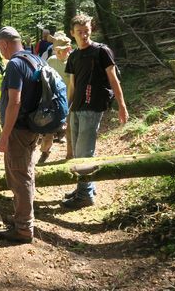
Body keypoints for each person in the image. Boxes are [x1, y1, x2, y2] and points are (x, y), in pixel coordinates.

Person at [62, 14, 128, 209]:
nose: (83, 35)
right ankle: (84, 187)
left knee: (84, 152)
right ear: (72, 33)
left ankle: (85, 195)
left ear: (91, 30)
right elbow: (72, 85)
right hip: (77, 107)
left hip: (93, 107)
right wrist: (67, 107)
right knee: (78, 152)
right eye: (79, 32)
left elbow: (114, 79)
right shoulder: (73, 56)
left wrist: (122, 106)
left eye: (87, 31)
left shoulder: (101, 51)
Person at [0, 26, 43, 244]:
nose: (1, 53)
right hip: (33, 126)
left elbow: (15, 102)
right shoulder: (35, 59)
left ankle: (23, 228)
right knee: (25, 172)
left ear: (4, 44)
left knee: (19, 175)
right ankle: (22, 219)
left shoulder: (15, 64)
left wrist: (4, 135)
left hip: (18, 129)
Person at [38, 32, 72, 163]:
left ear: (68, 49)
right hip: (54, 102)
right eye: (56, 50)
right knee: (49, 131)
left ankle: (70, 156)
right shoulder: (50, 61)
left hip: (70, 101)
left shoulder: (72, 61)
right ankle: (45, 152)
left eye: (60, 50)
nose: (57, 53)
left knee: (70, 130)